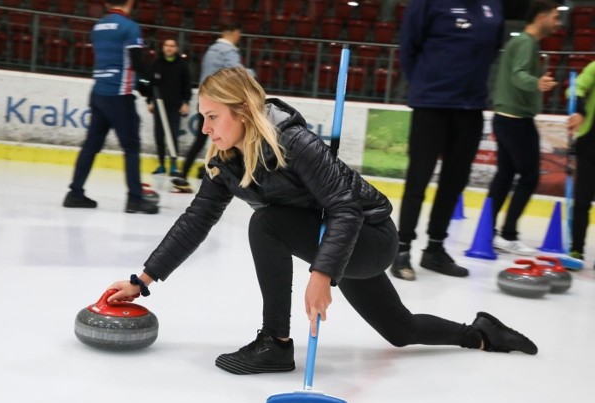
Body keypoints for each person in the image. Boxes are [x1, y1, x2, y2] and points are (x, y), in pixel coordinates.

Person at [106, 67, 537, 376]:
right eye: (202, 117)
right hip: (330, 241)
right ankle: (481, 333)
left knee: (266, 223)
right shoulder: (225, 163)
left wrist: (321, 273)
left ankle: (274, 343)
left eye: (213, 116)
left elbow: (345, 208)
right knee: (399, 330)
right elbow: (196, 219)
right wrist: (143, 280)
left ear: (241, 112)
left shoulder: (294, 141)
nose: (205, 128)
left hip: (367, 237)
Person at [392, 0, 505, 281]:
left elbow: (492, 49)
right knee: (418, 179)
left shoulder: (493, 5)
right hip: (431, 104)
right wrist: (427, 84)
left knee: (454, 182)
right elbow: (409, 48)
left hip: (471, 106)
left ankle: (435, 249)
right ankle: (401, 249)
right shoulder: (427, 3)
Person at [63, 0, 158, 214]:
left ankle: (75, 193)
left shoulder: (97, 27)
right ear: (130, 3)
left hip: (98, 94)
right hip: (119, 95)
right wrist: (148, 87)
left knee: (91, 146)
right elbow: (136, 62)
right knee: (131, 147)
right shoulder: (129, 27)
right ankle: (135, 199)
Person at [488, 0, 560, 255]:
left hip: (506, 118)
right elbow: (519, 74)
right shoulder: (526, 43)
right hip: (516, 120)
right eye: (554, 16)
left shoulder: (522, 43)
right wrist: (536, 83)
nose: (557, 22)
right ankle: (508, 233)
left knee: (505, 176)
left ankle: (489, 231)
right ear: (541, 17)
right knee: (529, 177)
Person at [171, 22, 249, 193]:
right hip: (220, 104)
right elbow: (239, 74)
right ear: (234, 33)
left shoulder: (211, 51)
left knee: (201, 139)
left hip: (206, 101)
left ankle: (186, 173)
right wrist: (253, 76)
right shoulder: (228, 52)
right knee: (229, 139)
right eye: (239, 34)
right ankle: (224, 175)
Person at [147, 38, 192, 177]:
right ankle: (161, 165)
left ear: (176, 48)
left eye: (172, 46)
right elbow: (151, 84)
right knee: (159, 136)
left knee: (172, 136)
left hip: (175, 107)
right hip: (159, 107)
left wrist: (186, 102)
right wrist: (150, 100)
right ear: (163, 47)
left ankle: (173, 165)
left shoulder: (182, 66)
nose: (169, 48)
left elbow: (187, 85)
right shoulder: (156, 64)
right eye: (167, 45)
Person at [567, 60, 595, 267]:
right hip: (590, 143)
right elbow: (577, 86)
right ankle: (576, 249)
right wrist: (578, 110)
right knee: (582, 201)